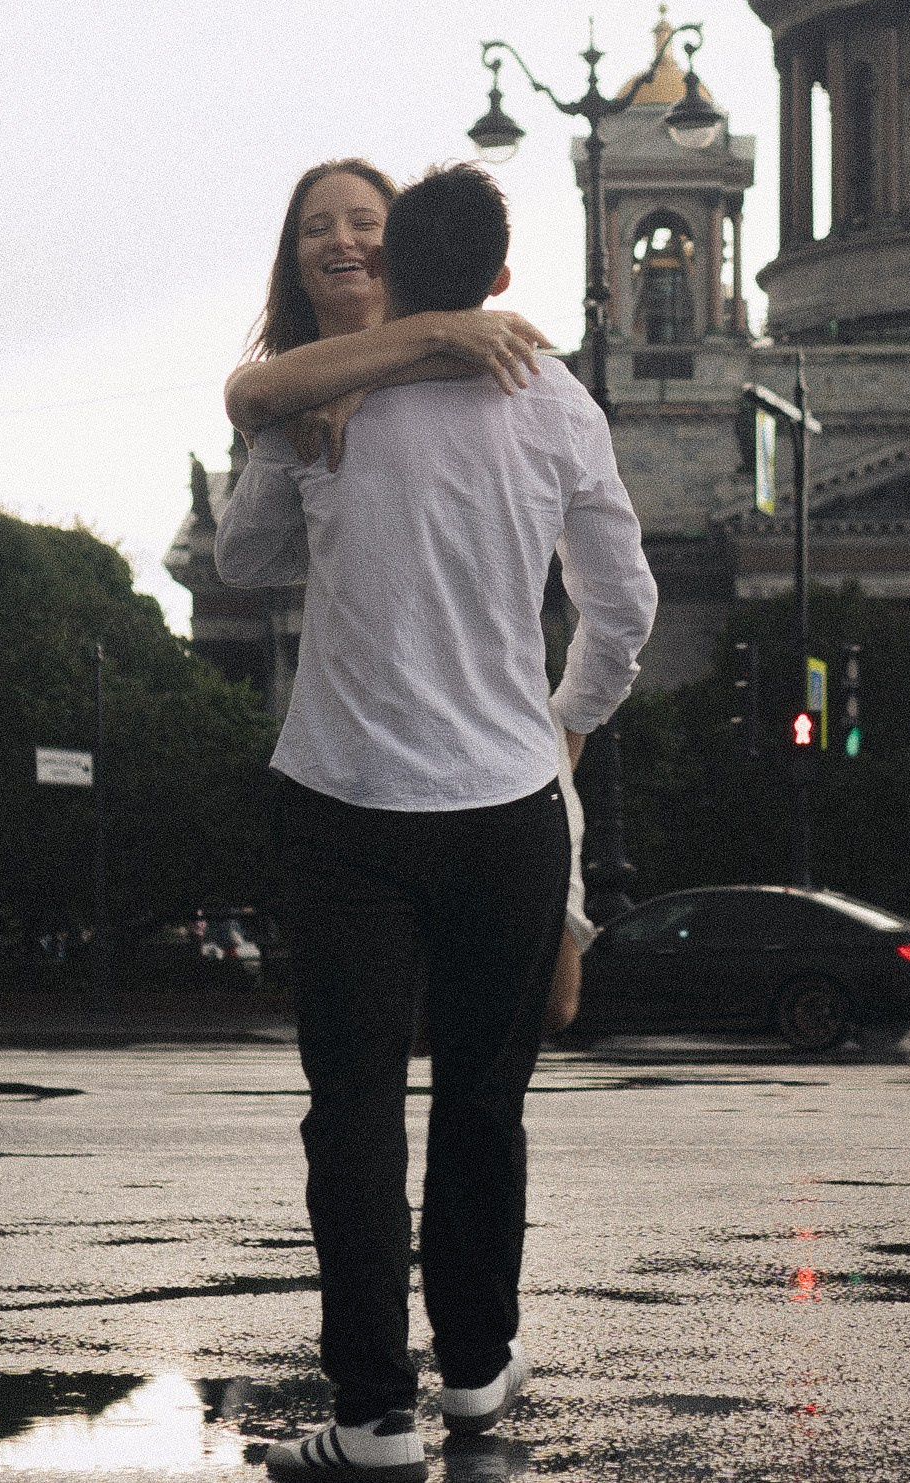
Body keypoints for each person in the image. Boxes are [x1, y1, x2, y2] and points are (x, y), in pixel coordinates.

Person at [218, 164, 656, 1480]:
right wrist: (563, 719)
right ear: (503, 282)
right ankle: (474, 1369)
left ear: (398, 268)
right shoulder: (561, 403)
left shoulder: (330, 391)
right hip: (508, 810)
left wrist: (301, 427)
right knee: (485, 1101)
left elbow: (243, 566)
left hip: (347, 803)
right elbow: (623, 607)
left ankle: (370, 1413)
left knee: (353, 1111)